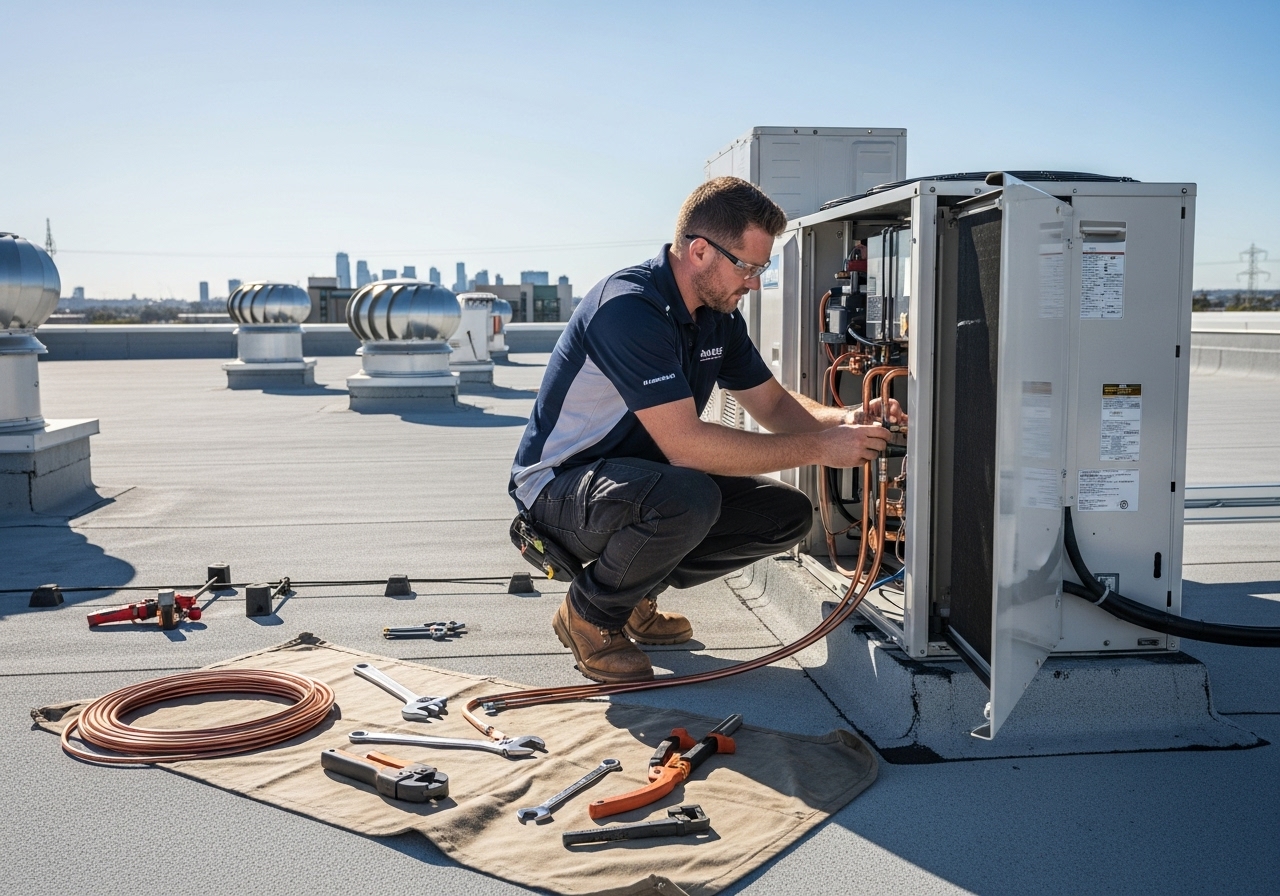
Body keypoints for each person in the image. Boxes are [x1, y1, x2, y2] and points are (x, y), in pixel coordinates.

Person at [509, 177, 904, 683]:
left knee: (785, 515)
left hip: (636, 484)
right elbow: (687, 445)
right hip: (559, 490)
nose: (755, 283)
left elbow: (774, 404)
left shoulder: (717, 316)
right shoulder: (628, 308)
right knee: (687, 496)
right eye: (749, 267)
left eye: (762, 269)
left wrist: (847, 420)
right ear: (699, 251)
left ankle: (631, 595)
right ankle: (590, 614)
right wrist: (821, 448)